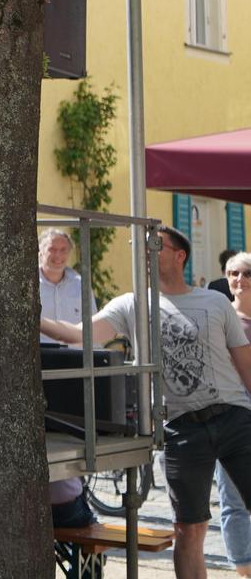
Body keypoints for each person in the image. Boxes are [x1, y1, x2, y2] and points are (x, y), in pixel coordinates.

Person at [41, 226, 251, 578]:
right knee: (189, 529)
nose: (142, 252)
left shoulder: (214, 302)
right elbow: (79, 334)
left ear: (179, 255)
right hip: (181, 429)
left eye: (153, 246)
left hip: (234, 418)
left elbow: (246, 366)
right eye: (136, 246)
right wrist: (31, 314)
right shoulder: (132, 303)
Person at [220, 250, 251, 576]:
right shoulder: (220, 316)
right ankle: (244, 568)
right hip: (230, 413)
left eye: (245, 273)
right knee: (234, 498)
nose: (239, 280)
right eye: (233, 273)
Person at [38, 227, 96, 345]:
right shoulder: (29, 286)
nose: (58, 255)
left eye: (63, 250)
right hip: (40, 357)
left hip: (75, 357)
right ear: (41, 251)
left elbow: (92, 325)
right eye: (52, 249)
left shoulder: (81, 285)